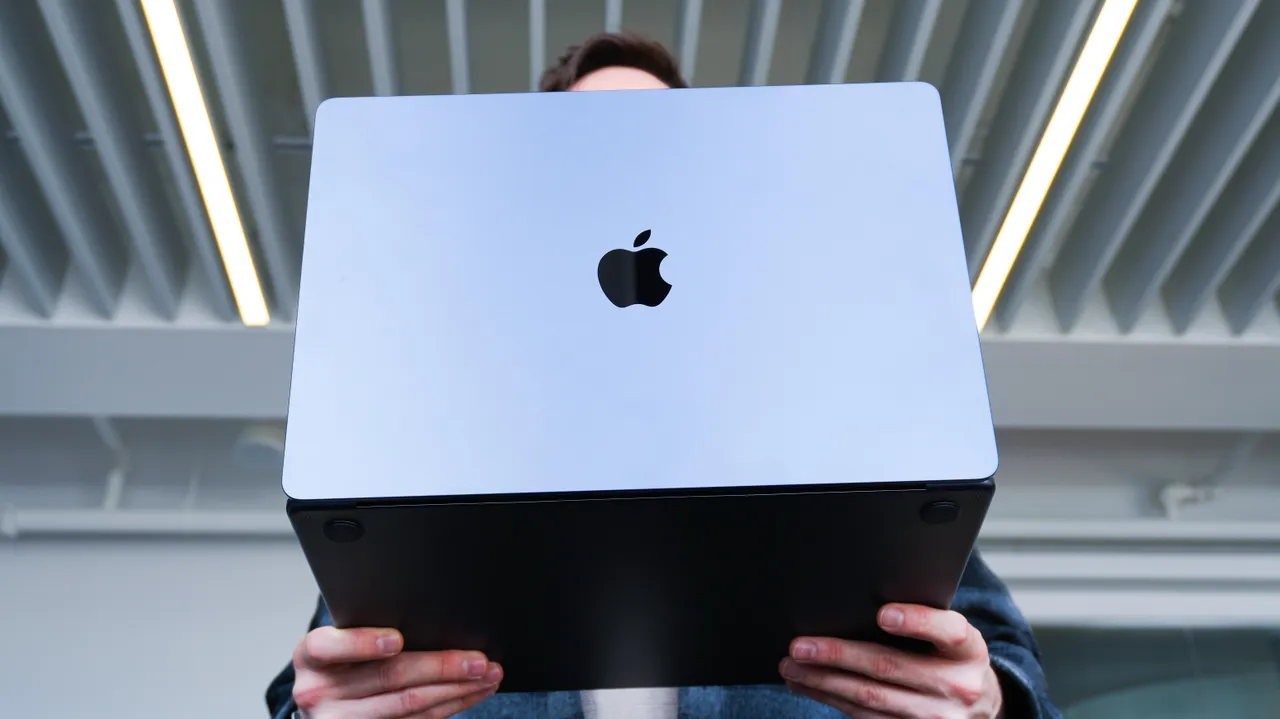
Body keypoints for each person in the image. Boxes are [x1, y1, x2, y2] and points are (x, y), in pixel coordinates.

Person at [267, 32, 1062, 719]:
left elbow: (997, 662)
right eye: (589, 138)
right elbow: (318, 681)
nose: (624, 158)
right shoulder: (427, 460)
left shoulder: (840, 439)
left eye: (652, 134)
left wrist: (991, 702)